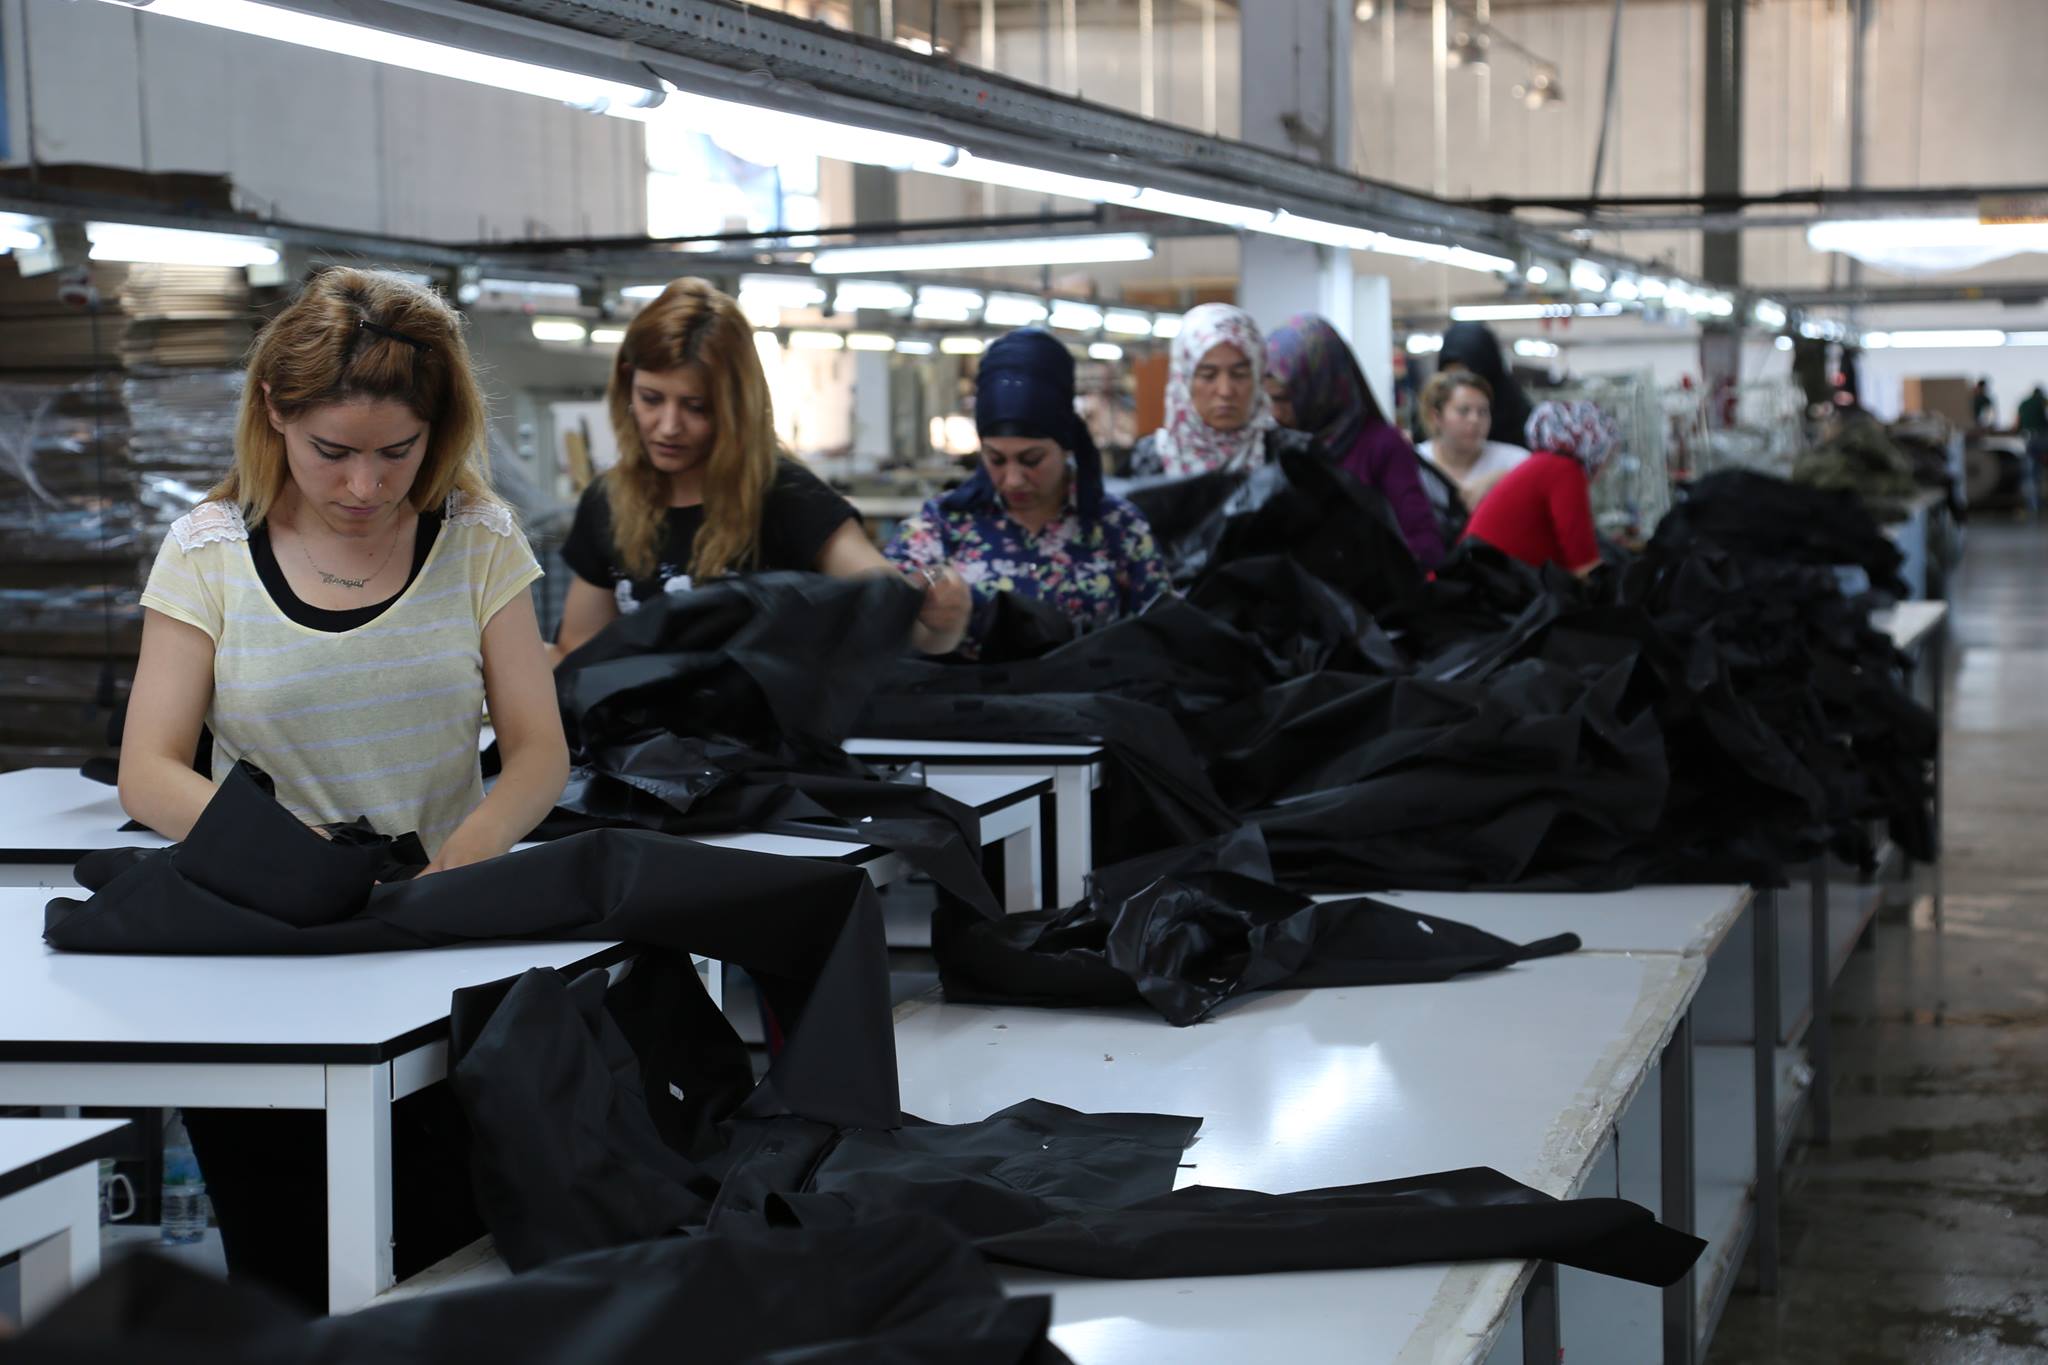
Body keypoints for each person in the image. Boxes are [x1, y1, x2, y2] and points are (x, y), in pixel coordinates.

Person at [119, 266, 571, 1308]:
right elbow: (149, 770)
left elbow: (538, 750)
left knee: (450, 1260)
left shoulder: (477, 538)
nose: (365, 486)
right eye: (333, 452)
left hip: (437, 942)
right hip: (265, 952)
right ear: (274, 412)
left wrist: (468, 855)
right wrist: (290, 854)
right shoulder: (208, 551)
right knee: (284, 1265)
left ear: (436, 432)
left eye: (395, 452)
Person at [553, 278, 968, 658]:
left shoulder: (788, 497)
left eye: (696, 407)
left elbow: (906, 621)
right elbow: (578, 647)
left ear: (736, 406)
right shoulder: (610, 500)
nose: (668, 426)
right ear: (627, 384)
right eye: (651, 399)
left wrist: (943, 615)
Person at [887, 329, 1170, 656]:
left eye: (1032, 459)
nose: (1013, 480)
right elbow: (882, 612)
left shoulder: (1119, 529)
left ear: (1065, 445)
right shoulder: (941, 528)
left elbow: (1162, 637)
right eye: (995, 459)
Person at [1265, 314, 1444, 567]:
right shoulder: (1276, 445)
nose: (1275, 412)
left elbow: (1424, 544)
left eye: (1284, 399)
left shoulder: (1382, 446)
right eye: (1268, 399)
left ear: (1320, 387)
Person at [1461, 399, 1619, 576]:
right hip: (1485, 583)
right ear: (1595, 443)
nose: (1606, 465)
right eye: (1609, 453)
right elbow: (1584, 564)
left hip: (1476, 575)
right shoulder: (1564, 470)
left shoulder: (1543, 464)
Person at [1127, 303, 1285, 478]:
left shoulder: (1290, 459)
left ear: (1258, 378)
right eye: (1208, 375)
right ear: (1183, 381)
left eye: (1239, 374)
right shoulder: (1150, 460)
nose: (1225, 391)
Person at [1417, 369, 1530, 512]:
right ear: (1437, 417)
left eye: (1483, 411)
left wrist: (1503, 478)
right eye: (1463, 411)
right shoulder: (1415, 463)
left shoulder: (1517, 461)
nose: (1475, 420)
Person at [1437, 320, 1534, 451]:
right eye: (1450, 375)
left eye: (1466, 375)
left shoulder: (1520, 422)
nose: (1457, 385)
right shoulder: (1430, 418)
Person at [2019, 385, 2048, 515]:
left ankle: (2032, 505)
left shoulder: (2023, 403)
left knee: (2031, 473)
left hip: (2028, 439)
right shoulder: (2042, 401)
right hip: (2042, 438)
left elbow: (2018, 422)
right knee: (2039, 472)